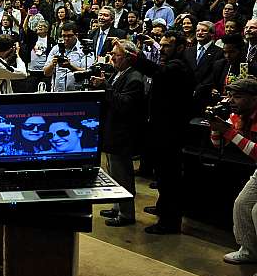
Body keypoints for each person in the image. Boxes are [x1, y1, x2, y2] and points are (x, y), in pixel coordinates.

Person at [132, 30, 195, 234]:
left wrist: (133, 57)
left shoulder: (178, 66)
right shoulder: (171, 64)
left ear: (180, 47)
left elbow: (156, 72)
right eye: (161, 44)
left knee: (169, 177)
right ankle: (162, 208)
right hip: (162, 128)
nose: (163, 49)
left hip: (171, 131)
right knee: (162, 174)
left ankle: (169, 221)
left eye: (167, 46)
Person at [91, 39, 145, 227]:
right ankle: (117, 206)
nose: (112, 57)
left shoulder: (135, 78)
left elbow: (124, 104)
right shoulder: (120, 72)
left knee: (123, 174)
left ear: (128, 57)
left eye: (116, 55)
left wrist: (105, 86)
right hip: (112, 130)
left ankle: (127, 214)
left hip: (123, 133)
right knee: (114, 173)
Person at [209, 78, 257, 276]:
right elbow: (217, 143)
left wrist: (227, 131)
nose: (231, 101)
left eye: (237, 97)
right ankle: (249, 251)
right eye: (230, 95)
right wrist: (215, 125)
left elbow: (255, 152)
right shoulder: (240, 114)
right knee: (242, 205)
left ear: (254, 99)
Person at [44, 22, 94, 92]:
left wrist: (70, 66)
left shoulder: (85, 50)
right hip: (57, 92)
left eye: (69, 36)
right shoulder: (56, 49)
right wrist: (52, 64)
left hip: (77, 93)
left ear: (76, 35)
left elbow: (89, 73)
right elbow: (46, 73)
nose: (66, 38)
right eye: (64, 36)